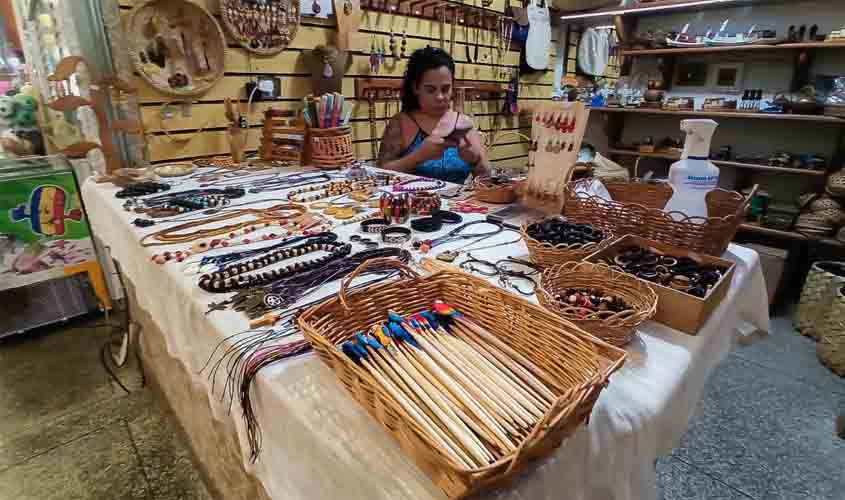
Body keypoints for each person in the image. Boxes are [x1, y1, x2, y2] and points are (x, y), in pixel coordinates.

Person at [376, 47, 489, 184]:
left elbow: (488, 181)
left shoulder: (463, 124)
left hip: (460, 204)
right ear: (415, 88)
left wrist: (474, 160)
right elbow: (380, 175)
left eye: (446, 89)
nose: (440, 97)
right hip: (411, 203)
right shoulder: (401, 123)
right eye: (430, 90)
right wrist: (419, 156)